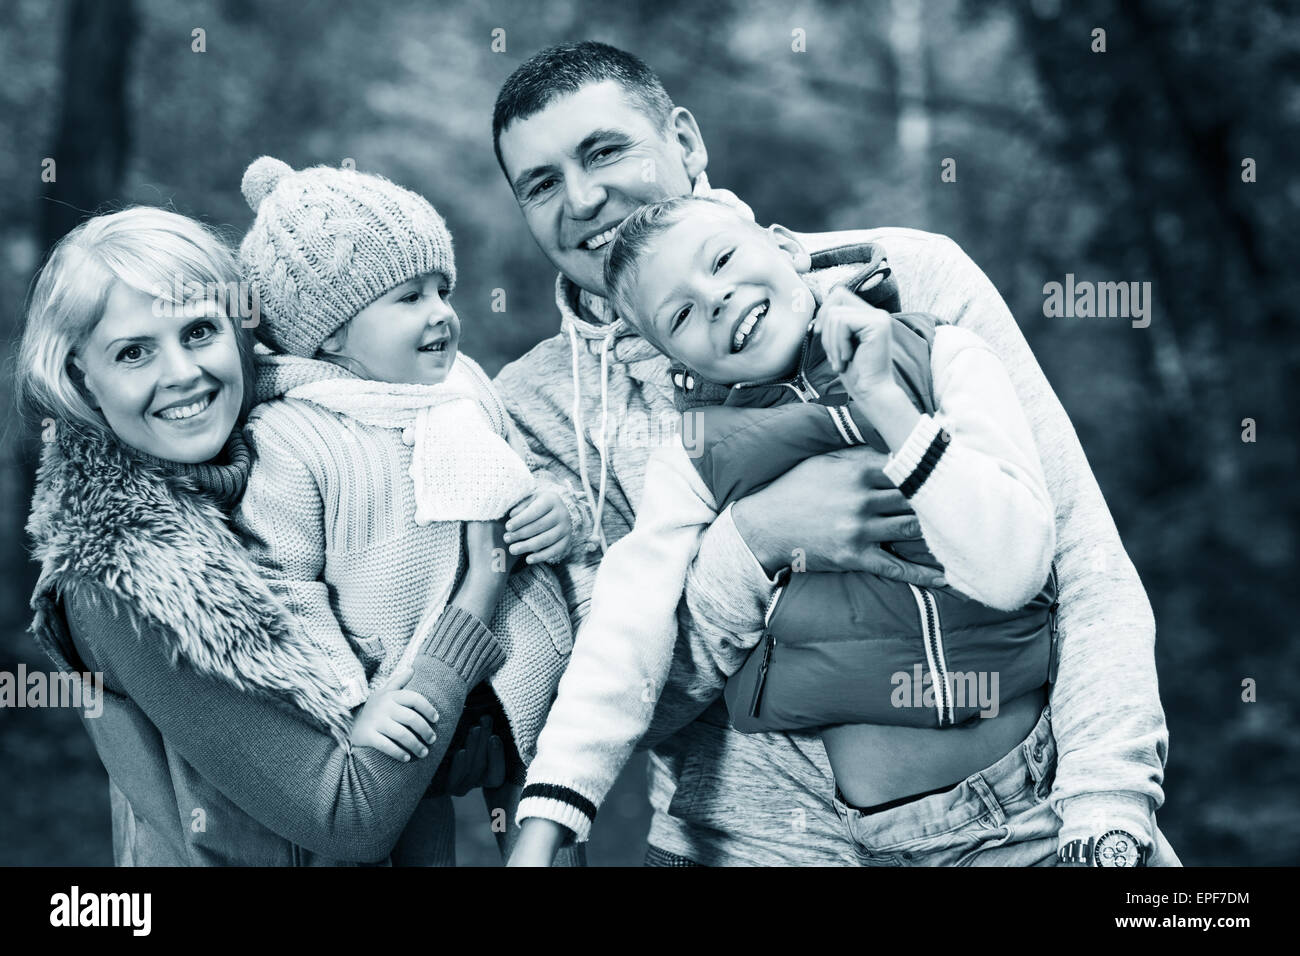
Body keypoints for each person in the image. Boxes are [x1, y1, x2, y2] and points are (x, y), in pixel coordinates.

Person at [492, 41, 1176, 867]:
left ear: (685, 140)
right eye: (540, 183)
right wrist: (756, 542)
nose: (584, 197)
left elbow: (1080, 562)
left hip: (1016, 813)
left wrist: (1108, 798)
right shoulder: (535, 406)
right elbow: (623, 694)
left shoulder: (910, 282)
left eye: (604, 150)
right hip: (737, 845)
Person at [511, 195, 1065, 864]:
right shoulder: (691, 457)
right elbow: (623, 641)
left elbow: (1014, 571)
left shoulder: (940, 354)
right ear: (671, 361)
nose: (714, 299)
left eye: (721, 260)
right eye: (680, 315)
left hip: (1032, 811)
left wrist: (889, 407)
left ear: (785, 247)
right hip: (876, 839)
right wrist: (547, 818)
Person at [21, 206, 506, 865]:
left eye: (198, 331)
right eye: (133, 352)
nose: (181, 373)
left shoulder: (287, 470)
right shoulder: (125, 575)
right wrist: (476, 595)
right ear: (83, 379)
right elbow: (351, 816)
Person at [232, 157, 581, 864]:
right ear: (328, 334)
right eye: (407, 298)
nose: (441, 314)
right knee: (416, 849)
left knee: (547, 833)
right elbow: (287, 592)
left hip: (520, 673)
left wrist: (557, 510)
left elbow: (528, 474)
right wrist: (347, 704)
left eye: (441, 290)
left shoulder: (466, 387)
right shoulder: (292, 437)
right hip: (402, 696)